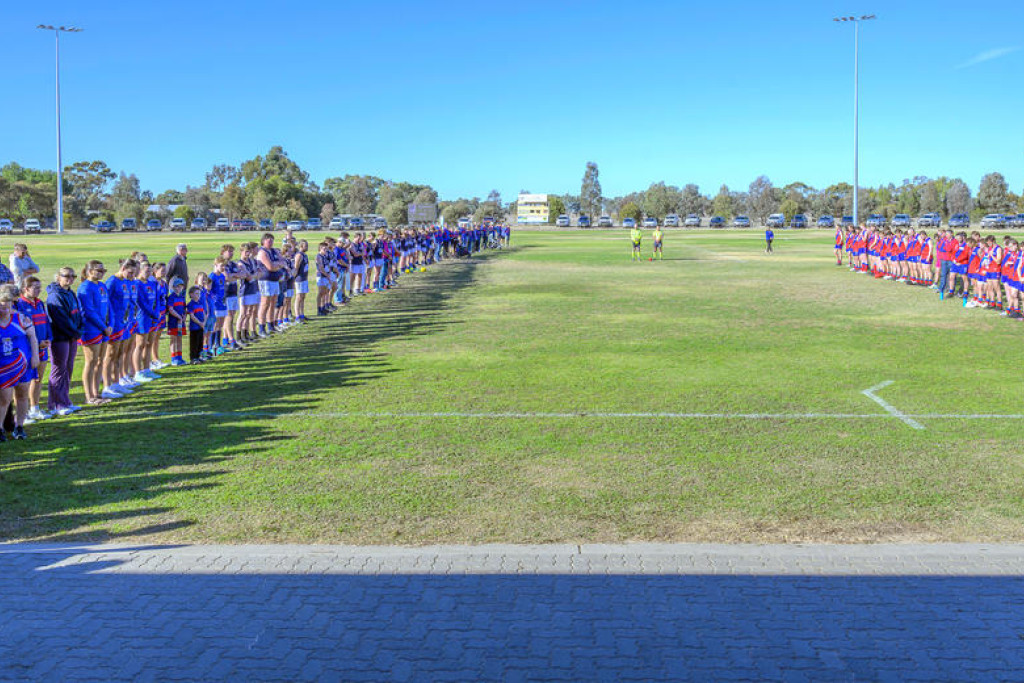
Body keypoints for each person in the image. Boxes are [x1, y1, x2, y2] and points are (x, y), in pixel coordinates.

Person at [0, 284, 37, 440]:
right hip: (3, 366)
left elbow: (33, 338)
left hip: (23, 364)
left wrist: (35, 356)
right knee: (4, 398)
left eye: (7, 306)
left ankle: (20, 426)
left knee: (22, 395)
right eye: (1, 306)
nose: (4, 309)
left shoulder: (21, 318)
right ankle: (0, 428)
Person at [46, 267, 83, 415]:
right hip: (60, 338)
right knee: (59, 370)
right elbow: (60, 320)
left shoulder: (70, 292)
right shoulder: (55, 296)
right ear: (58, 277)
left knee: (68, 369)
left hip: (72, 337)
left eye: (73, 276)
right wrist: (75, 332)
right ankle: (56, 404)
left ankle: (65, 401)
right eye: (66, 276)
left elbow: (77, 314)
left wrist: (78, 330)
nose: (70, 278)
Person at [15, 277, 52, 423]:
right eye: (35, 287)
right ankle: (21, 415)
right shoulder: (19, 305)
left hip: (43, 347)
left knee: (38, 380)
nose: (38, 289)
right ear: (25, 288)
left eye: (39, 287)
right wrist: (35, 345)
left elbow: (46, 323)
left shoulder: (39, 303)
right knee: (23, 383)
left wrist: (49, 338)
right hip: (29, 350)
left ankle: (35, 408)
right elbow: (21, 330)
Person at [77, 260, 113, 404]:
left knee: (100, 361)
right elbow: (89, 312)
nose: (102, 273)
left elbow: (109, 307)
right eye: (99, 270)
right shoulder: (85, 287)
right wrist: (103, 327)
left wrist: (110, 324)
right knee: (91, 362)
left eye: (103, 270)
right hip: (92, 329)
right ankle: (89, 396)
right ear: (90, 271)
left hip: (105, 328)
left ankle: (97, 393)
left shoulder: (102, 285)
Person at [255, 233, 284, 337]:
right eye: (268, 240)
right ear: (263, 241)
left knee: (273, 303)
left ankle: (271, 325)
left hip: (274, 280)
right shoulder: (262, 252)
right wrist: (278, 265)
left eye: (272, 239)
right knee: (265, 304)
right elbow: (270, 267)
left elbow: (283, 261)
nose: (270, 241)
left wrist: (277, 264)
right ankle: (262, 328)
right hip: (265, 280)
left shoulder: (274, 251)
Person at [166, 277, 188, 366]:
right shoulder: (171, 297)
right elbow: (171, 309)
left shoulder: (182, 297)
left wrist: (184, 317)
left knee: (179, 338)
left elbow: (184, 309)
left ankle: (179, 357)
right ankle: (173, 358)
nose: (178, 288)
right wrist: (179, 317)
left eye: (180, 287)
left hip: (180, 322)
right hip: (173, 322)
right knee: (173, 339)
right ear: (173, 287)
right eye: (176, 287)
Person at [186, 285, 207, 364]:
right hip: (194, 327)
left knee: (200, 342)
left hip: (201, 326)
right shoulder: (190, 304)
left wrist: (204, 322)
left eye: (199, 294)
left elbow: (204, 313)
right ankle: (193, 358)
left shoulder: (200, 303)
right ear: (191, 295)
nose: (198, 295)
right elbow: (192, 316)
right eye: (196, 294)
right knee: (194, 343)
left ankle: (199, 357)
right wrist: (200, 323)